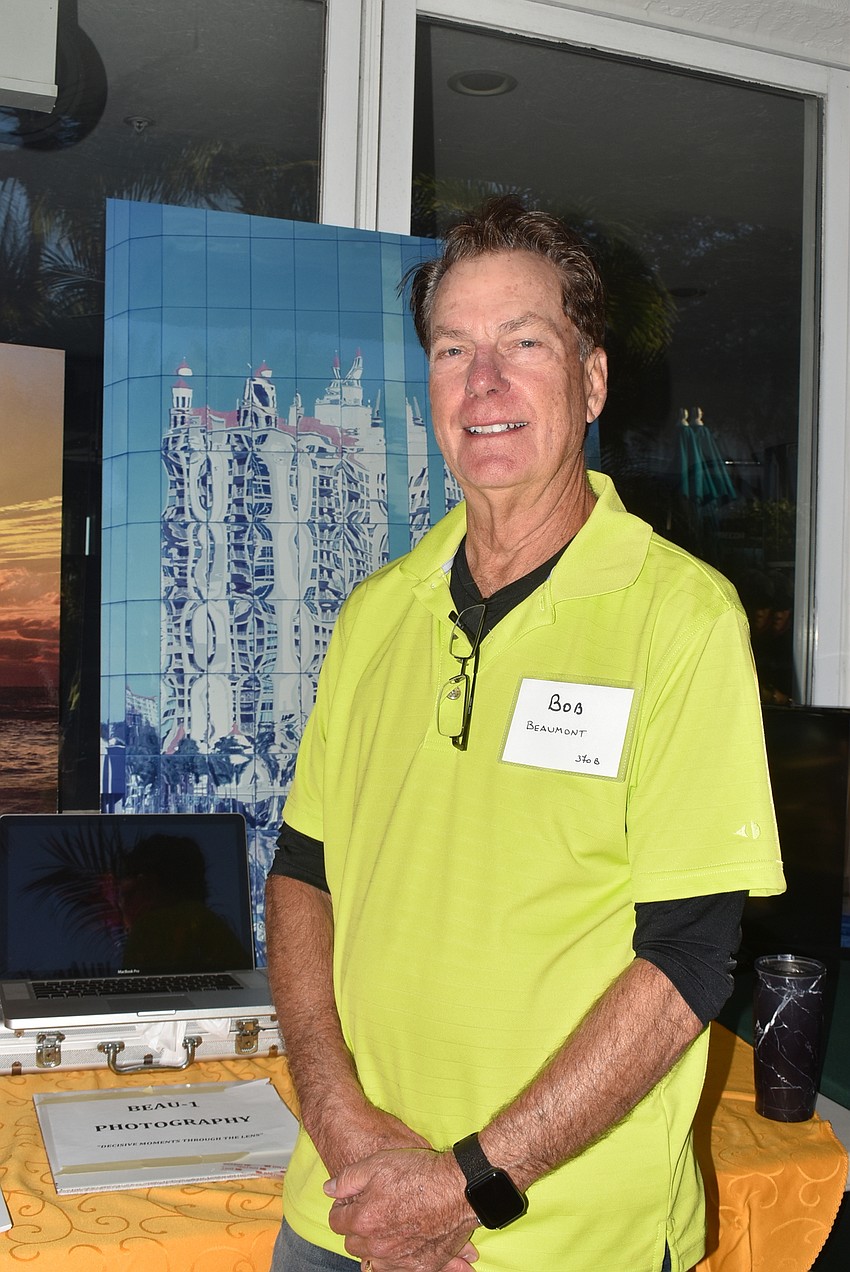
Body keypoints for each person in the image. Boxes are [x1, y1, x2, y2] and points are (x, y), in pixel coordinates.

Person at [265, 197, 785, 1272]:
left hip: (563, 1238)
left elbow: (687, 960)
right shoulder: (376, 613)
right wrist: (340, 1123)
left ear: (591, 381)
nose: (484, 382)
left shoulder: (676, 617)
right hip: (343, 1214)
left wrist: (467, 1183)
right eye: (454, 348)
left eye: (524, 343)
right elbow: (302, 872)